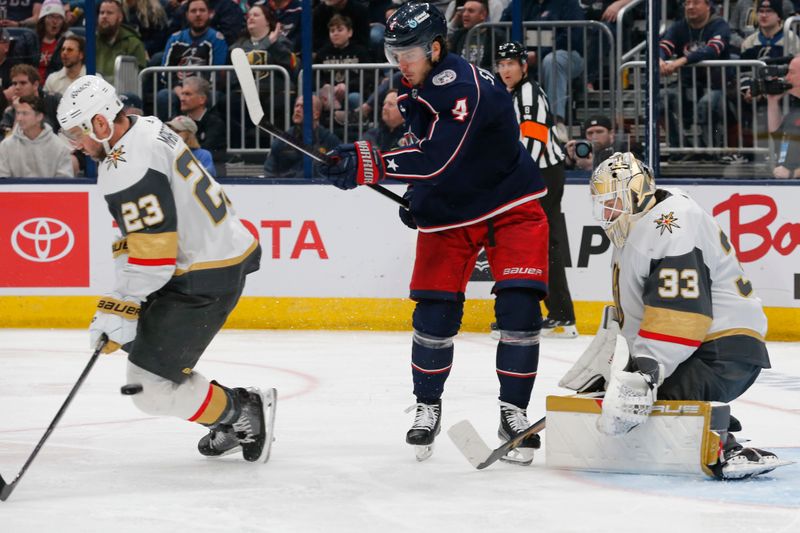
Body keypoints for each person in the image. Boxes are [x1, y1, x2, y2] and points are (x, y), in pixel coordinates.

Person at [320, 2, 549, 464]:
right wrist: (421, 200)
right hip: (454, 209)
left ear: (437, 48)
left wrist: (372, 164)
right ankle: (428, 405)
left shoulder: (461, 86)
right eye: (394, 52)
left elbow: (439, 158)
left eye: (409, 53)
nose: (400, 63)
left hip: (510, 203)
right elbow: (433, 155)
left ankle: (513, 411)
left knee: (520, 308)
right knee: (434, 315)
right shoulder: (412, 86)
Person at [55, 75, 275, 463]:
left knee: (149, 389)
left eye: (78, 133)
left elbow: (153, 257)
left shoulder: (127, 167)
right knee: (138, 347)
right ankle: (228, 415)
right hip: (210, 256)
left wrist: (120, 305)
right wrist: (121, 305)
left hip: (203, 275)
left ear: (101, 124)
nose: (77, 145)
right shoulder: (146, 126)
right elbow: (146, 240)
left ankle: (242, 411)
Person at [573, 151, 784, 479]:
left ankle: (722, 442)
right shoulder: (639, 226)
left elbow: (683, 317)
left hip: (722, 349)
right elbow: (639, 315)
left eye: (613, 201)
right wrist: (617, 371)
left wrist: (643, 376)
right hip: (703, 347)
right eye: (603, 203)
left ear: (637, 191)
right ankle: (709, 420)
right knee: (630, 399)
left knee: (641, 404)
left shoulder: (671, 223)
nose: (608, 211)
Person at [495, 41, 577, 338]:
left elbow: (532, 139)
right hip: (539, 174)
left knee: (539, 243)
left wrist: (514, 178)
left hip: (541, 175)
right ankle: (559, 313)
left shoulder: (526, 93)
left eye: (510, 64)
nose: (505, 69)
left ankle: (557, 313)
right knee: (542, 243)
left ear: (523, 66)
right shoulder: (516, 93)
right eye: (501, 64)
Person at [659, 0, 731, 157]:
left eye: (696, 2)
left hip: (717, 87)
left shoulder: (720, 25)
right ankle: (679, 147)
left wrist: (681, 61)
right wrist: (660, 59)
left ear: (708, 6)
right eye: (687, 3)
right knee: (658, 100)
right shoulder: (679, 26)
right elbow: (664, 46)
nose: (690, 7)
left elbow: (712, 50)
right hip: (685, 85)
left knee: (707, 103)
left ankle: (709, 152)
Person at [158, 0, 228, 121]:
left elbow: (214, 75)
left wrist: (192, 94)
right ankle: (171, 133)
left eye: (202, 10)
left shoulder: (217, 39)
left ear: (210, 14)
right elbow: (166, 72)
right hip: (178, 89)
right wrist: (182, 93)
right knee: (164, 96)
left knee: (215, 97)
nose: (198, 14)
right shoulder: (175, 38)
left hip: (204, 91)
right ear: (187, 15)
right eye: (193, 11)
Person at [263, 94, 340, 177]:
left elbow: (339, 171)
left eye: (303, 107)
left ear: (316, 114)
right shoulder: (282, 140)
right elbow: (269, 173)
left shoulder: (329, 140)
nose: (298, 110)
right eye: (296, 106)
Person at [0, 94, 72, 177]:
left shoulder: (59, 147)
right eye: (18, 113)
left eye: (24, 113)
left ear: (39, 117)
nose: (19, 118)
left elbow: (64, 182)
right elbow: (3, 179)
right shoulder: (6, 146)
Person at [177, 75, 228, 175]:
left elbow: (208, 154)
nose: (182, 98)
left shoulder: (216, 123)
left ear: (202, 99)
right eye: (182, 94)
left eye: (187, 94)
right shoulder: (175, 121)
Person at [96, 0, 148, 80]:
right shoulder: (92, 41)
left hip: (122, 90)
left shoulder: (133, 43)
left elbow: (139, 76)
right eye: (102, 13)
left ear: (120, 17)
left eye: (109, 13)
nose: (104, 16)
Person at [767, 53, 800, 178]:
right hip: (787, 185)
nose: (786, 78)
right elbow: (778, 135)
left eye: (791, 73)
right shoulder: (796, 105)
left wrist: (793, 173)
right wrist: (773, 102)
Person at [35, 0, 67, 83]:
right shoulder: (29, 41)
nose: (55, 21)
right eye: (51, 16)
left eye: (59, 17)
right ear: (43, 19)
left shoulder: (66, 43)